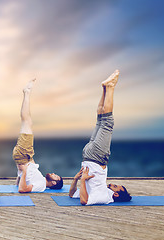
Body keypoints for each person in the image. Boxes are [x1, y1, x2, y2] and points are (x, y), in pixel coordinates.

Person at [69, 70, 132, 205]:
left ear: (115, 194)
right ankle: (104, 88)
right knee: (101, 120)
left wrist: (80, 180)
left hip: (97, 157)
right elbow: (72, 194)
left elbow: (84, 201)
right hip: (87, 155)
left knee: (108, 123)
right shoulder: (103, 191)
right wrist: (78, 181)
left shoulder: (104, 197)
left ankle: (110, 87)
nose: (113, 184)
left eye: (115, 186)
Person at [13, 79, 63, 193]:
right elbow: (20, 182)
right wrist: (20, 174)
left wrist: (23, 171)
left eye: (56, 176)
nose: (54, 173)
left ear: (54, 183)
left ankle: (27, 92)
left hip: (24, 156)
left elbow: (22, 189)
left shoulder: (41, 185)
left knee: (26, 121)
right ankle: (26, 93)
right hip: (27, 157)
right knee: (28, 122)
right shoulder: (40, 179)